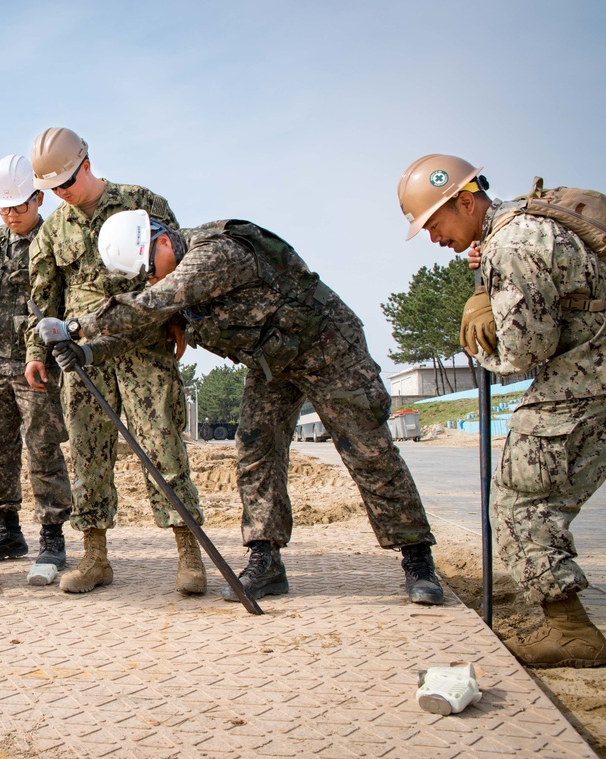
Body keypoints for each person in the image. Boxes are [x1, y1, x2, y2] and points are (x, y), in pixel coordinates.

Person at [38, 210, 445, 606]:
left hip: (328, 349)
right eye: (144, 277)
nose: (152, 279)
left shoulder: (214, 252)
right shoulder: (172, 279)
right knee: (255, 451)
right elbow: (144, 327)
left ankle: (417, 559)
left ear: (162, 240)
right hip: (273, 364)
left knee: (367, 450)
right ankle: (266, 560)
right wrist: (87, 352)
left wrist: (76, 326)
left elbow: (153, 302)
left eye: (149, 269)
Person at [399, 154, 606, 666]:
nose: (433, 238)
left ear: (465, 202)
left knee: (519, 503)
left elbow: (523, 352)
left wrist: (479, 340)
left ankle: (571, 632)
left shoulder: (512, 244)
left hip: (587, 381)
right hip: (592, 371)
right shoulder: (527, 225)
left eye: (435, 224)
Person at [26, 128, 205, 596]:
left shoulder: (141, 202)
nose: (62, 194)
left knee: (162, 446)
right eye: (53, 189)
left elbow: (179, 267)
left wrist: (181, 319)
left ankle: (189, 554)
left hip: (143, 345)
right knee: (87, 454)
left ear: (86, 163)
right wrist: (36, 352)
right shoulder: (52, 231)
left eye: (66, 182)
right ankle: (95, 558)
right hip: (83, 358)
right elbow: (42, 301)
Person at [0, 155, 72, 580]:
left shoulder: (55, 241)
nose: (11, 215)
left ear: (38, 199)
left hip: (37, 368)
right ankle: (7, 531)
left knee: (43, 450)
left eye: (19, 207)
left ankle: (52, 538)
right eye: (3, 208)